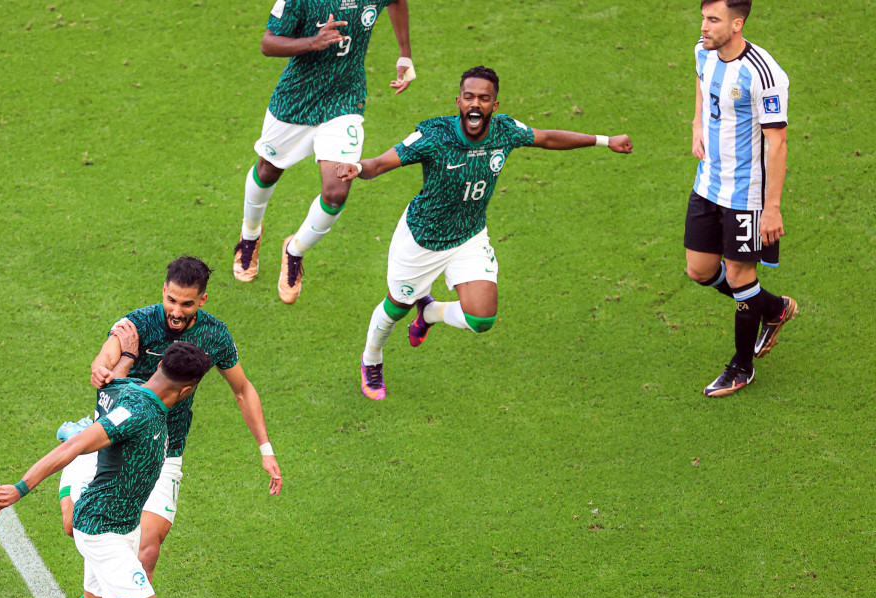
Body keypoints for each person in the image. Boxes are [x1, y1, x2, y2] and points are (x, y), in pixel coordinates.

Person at [45, 256, 282, 598]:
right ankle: (75, 462)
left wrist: (266, 450)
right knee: (77, 543)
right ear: (163, 292)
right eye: (172, 300)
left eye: (187, 304)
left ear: (202, 301)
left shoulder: (214, 334)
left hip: (165, 452)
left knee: (146, 551)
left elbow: (243, 390)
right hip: (117, 445)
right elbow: (105, 357)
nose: (177, 311)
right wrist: (102, 370)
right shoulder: (138, 323)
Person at [336, 66, 633, 399]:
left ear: (494, 104)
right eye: (469, 97)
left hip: (469, 236)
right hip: (423, 239)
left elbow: (547, 138)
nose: (475, 104)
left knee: (481, 319)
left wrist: (606, 141)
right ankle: (371, 360)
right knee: (396, 307)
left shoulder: (505, 131)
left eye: (484, 98)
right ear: (459, 101)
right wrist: (357, 167)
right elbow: (378, 164)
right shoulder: (434, 135)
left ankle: (430, 312)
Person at [0, 343, 216, 598]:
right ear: (189, 389)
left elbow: (110, 382)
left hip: (124, 525)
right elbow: (76, 444)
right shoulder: (138, 414)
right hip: (102, 528)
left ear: (160, 363)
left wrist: (122, 359)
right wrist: (19, 488)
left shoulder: (125, 388)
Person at [232, 0, 413, 304]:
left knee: (336, 191)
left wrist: (405, 52)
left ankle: (295, 251)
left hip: (345, 101)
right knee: (268, 170)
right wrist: (312, 42)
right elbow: (267, 43)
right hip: (296, 99)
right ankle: (249, 236)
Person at [684, 0, 796, 397]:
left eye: (712, 20)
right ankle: (772, 308)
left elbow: (777, 143)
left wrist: (772, 208)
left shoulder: (763, 74)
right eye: (702, 17)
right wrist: (698, 123)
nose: (703, 26)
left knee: (739, 275)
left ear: (737, 23)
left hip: (746, 195)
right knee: (698, 269)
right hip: (707, 182)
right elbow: (701, 83)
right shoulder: (704, 50)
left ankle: (741, 366)